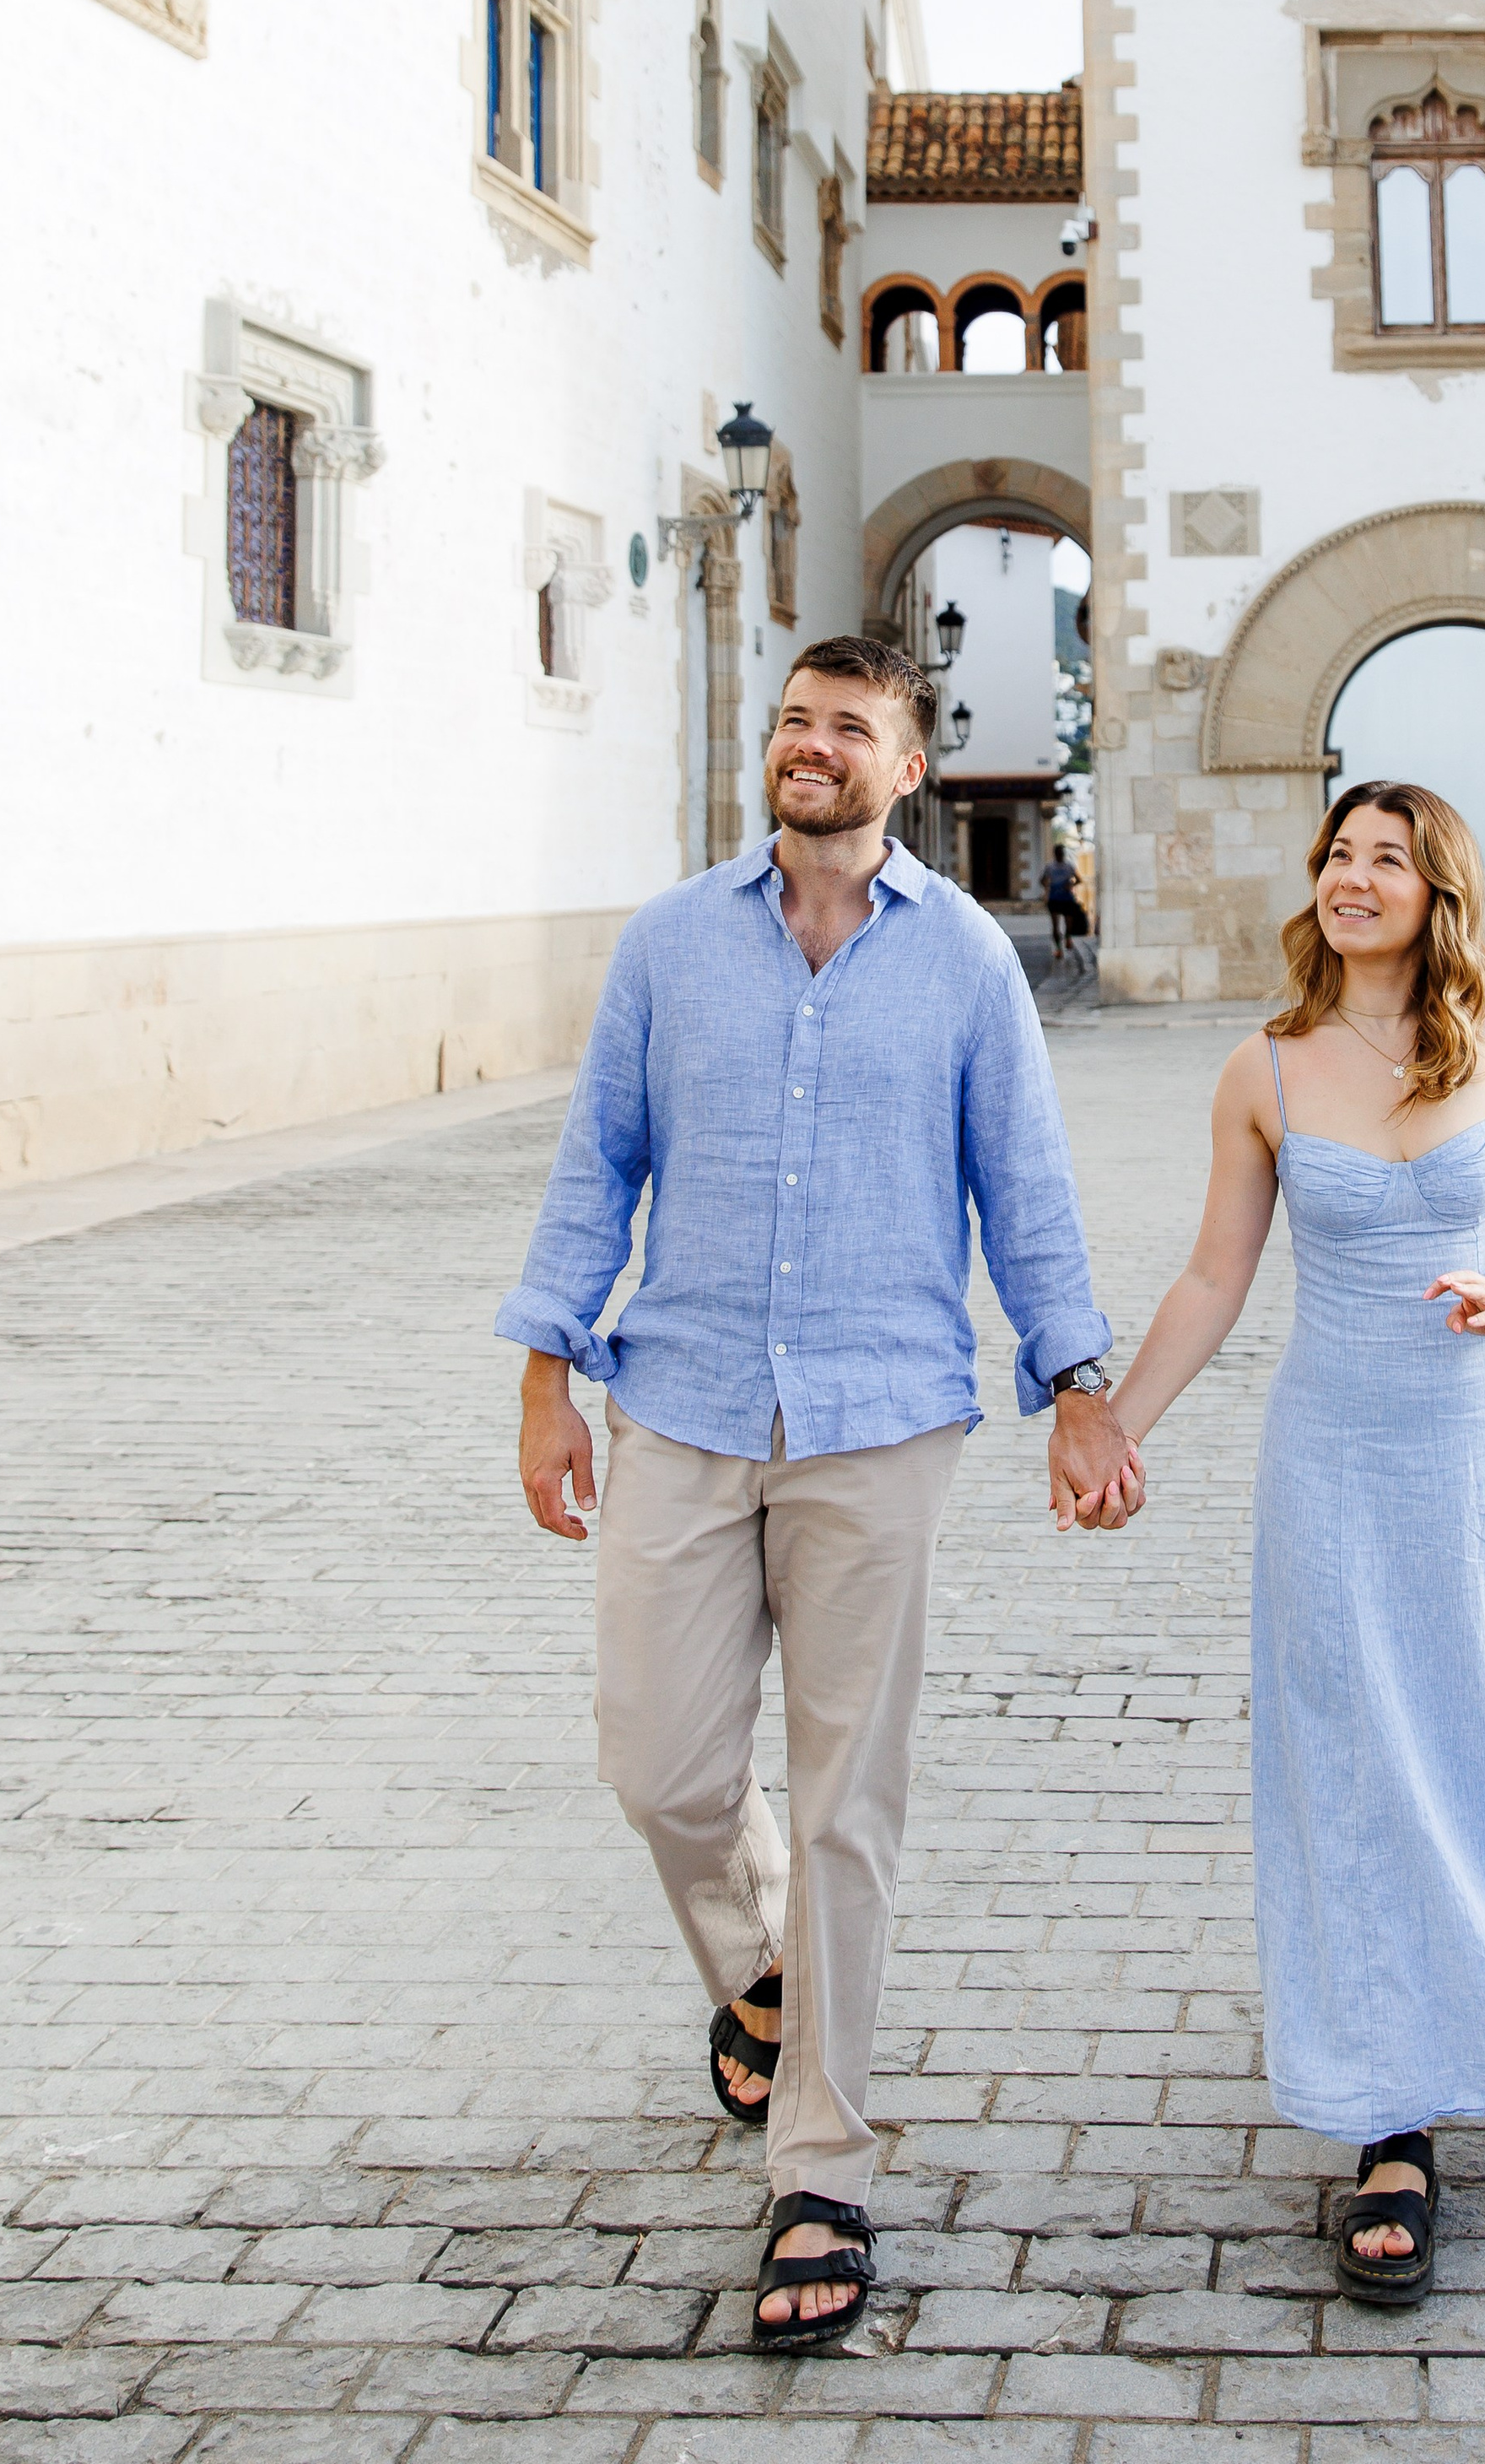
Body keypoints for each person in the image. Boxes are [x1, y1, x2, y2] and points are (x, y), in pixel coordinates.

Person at [498, 635, 1140, 2351]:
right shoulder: (666, 945)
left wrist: (1078, 1385)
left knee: (850, 1801)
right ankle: (765, 1983)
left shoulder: (970, 971)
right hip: (683, 1408)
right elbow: (593, 1167)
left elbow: (1028, 1188)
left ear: (904, 768)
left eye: (847, 728)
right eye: (793, 721)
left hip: (879, 1425)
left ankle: (824, 2168)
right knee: (659, 1760)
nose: (809, 746)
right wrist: (544, 1373)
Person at [1051, 778, 1485, 2303]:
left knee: (1483, 1742)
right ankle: (1390, 2121)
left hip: (1481, 1445)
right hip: (1331, 1453)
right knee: (1354, 1765)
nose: (1354, 877)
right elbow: (1211, 1279)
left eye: (1388, 858)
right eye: (1338, 854)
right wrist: (1115, 1419)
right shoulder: (1263, 1068)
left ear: (1439, 890)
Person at [1041, 843, 1086, 965]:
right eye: (1058, 853)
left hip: (1066, 897)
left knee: (1068, 923)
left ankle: (1068, 937)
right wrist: (1047, 889)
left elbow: (1079, 879)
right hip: (1055, 898)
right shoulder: (1050, 867)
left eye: (1061, 853)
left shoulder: (1069, 866)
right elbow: (1043, 879)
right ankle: (1059, 949)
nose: (1060, 855)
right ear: (1055, 854)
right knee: (1055, 925)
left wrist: (1071, 885)